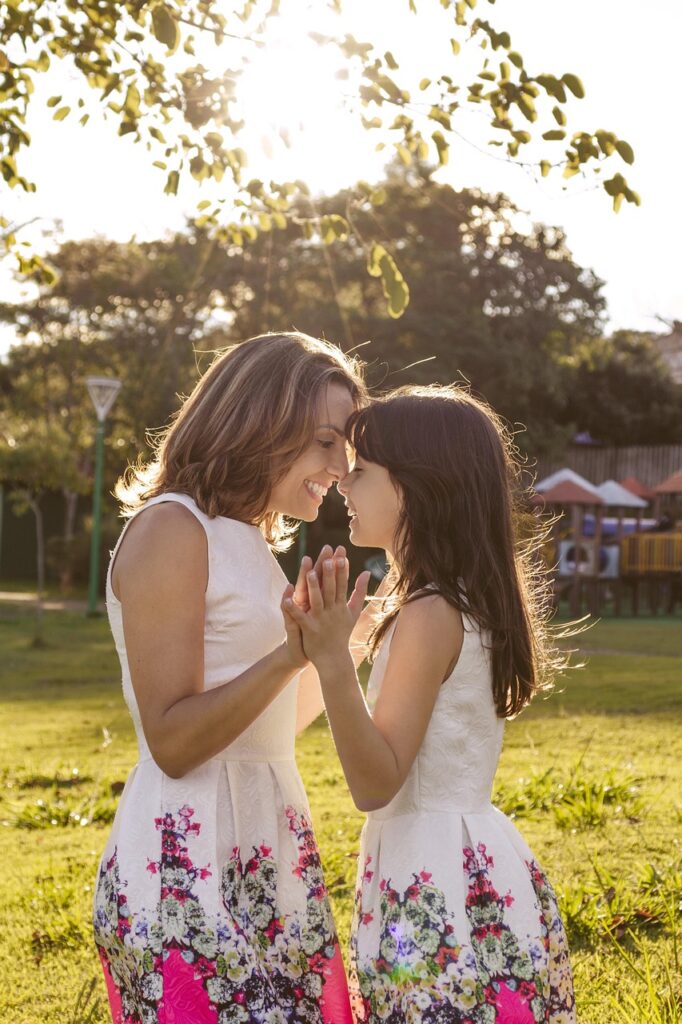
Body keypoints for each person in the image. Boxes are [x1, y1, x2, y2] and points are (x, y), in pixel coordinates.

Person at [93, 332, 367, 1024]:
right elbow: (173, 741)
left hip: (266, 843)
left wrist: (349, 640)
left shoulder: (244, 536)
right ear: (259, 421)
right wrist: (288, 656)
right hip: (188, 858)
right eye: (326, 441)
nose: (341, 467)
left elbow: (268, 727)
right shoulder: (173, 529)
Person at [283, 385, 577, 1023]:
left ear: (417, 488)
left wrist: (332, 659)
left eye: (361, 470)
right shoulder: (458, 598)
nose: (343, 484)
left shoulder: (428, 611)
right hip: (478, 861)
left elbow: (375, 783)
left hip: (433, 884)